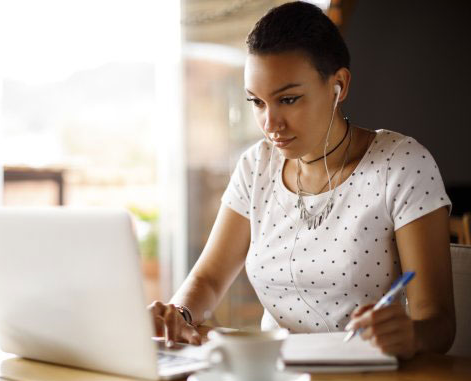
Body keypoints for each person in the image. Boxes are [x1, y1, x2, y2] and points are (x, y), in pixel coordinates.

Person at [148, 1, 455, 359]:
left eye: (288, 99)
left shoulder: (400, 165)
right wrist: (179, 314)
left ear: (338, 85)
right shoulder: (255, 166)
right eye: (257, 102)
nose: (270, 124)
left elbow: (439, 324)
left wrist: (412, 335)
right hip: (272, 379)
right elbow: (208, 279)